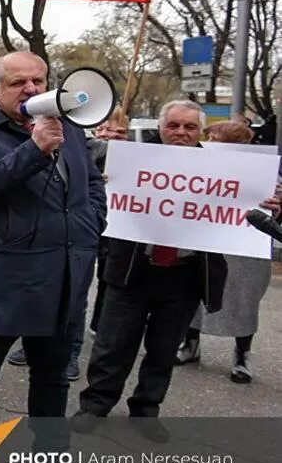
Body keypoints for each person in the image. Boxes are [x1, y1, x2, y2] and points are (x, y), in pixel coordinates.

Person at [0, 53, 105, 463]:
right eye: (20, 82)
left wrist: (92, 225)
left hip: (63, 274)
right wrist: (33, 149)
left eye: (39, 80)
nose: (32, 89)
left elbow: (91, 184)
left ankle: (51, 457)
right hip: (4, 276)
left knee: (52, 376)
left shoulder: (67, 125)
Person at [73, 101, 279, 440]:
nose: (181, 133)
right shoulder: (132, 159)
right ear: (161, 126)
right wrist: (104, 182)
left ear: (200, 131)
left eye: (189, 127)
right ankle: (96, 404)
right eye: (174, 126)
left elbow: (248, 214)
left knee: (164, 348)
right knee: (113, 345)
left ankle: (147, 409)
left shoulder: (224, 169)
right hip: (132, 270)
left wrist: (268, 204)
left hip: (185, 275)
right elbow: (90, 186)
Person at [7, 106, 129, 375]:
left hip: (88, 235)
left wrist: (94, 221)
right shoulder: (80, 143)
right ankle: (31, 344)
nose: (109, 133)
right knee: (41, 290)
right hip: (54, 234)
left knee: (75, 298)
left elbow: (95, 185)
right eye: (105, 128)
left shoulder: (131, 152)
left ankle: (71, 352)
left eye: (116, 129)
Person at [176, 121, 277, 383]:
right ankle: (190, 343)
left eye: (217, 139)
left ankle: (242, 354)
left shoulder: (264, 173)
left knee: (244, 301)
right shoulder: (193, 166)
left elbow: (274, 214)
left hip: (246, 248)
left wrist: (276, 204)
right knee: (194, 292)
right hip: (204, 240)